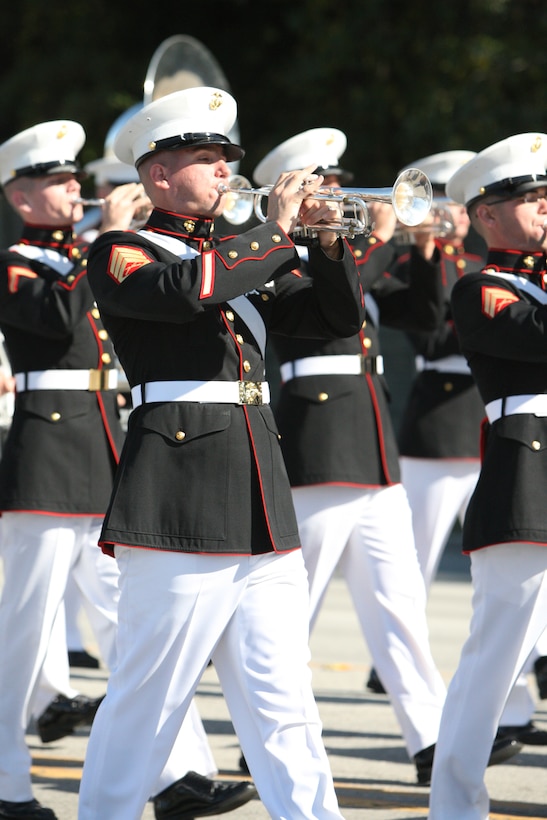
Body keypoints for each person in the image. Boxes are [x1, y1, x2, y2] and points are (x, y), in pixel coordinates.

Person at [77, 86, 363, 820]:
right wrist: (272, 231)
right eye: (204, 159)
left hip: (259, 499)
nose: (221, 171)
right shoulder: (123, 252)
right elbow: (187, 290)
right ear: (157, 175)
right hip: (175, 498)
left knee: (284, 702)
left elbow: (330, 320)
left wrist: (326, 246)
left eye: (223, 158)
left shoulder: (239, 254)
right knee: (148, 701)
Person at [0, 119, 255, 820]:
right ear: (21, 198)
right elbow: (57, 319)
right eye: (55, 182)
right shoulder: (19, 262)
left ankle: (176, 774)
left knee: (132, 631)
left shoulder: (102, 250)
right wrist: (97, 241)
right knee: (22, 634)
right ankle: (5, 782)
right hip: (47, 459)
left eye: (73, 179)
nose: (73, 190)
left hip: (105, 446)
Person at [252, 127, 520, 786]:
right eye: (323, 185)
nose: (337, 195)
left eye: (338, 184)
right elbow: (336, 305)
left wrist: (425, 250)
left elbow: (422, 317)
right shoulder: (280, 255)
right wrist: (369, 237)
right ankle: (265, 737)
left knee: (399, 605)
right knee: (292, 609)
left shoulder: (338, 254)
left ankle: (427, 738)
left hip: (372, 449)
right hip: (319, 440)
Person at [428, 132, 547, 820]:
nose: (544, 210)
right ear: (487, 215)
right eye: (531, 200)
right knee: (492, 664)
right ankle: (453, 802)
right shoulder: (480, 288)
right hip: (523, 478)